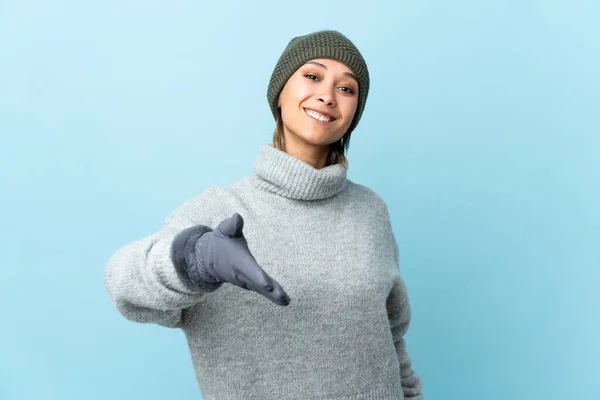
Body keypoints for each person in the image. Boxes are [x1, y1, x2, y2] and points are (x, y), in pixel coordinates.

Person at [104, 29, 424, 400]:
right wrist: (195, 260)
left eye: (347, 88)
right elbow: (123, 284)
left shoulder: (370, 210)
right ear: (279, 93)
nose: (327, 95)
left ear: (354, 112)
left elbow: (392, 335)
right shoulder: (221, 211)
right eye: (313, 76)